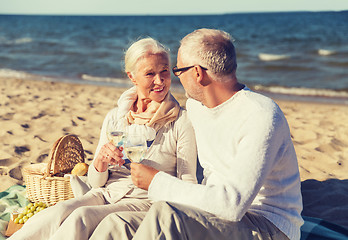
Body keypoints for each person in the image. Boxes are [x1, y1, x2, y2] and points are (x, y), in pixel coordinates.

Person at [93, 28, 304, 240]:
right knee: (117, 223)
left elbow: (232, 205)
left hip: (265, 225)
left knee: (164, 216)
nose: (174, 78)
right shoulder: (197, 108)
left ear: (197, 73)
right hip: (212, 212)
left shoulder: (260, 114)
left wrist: (156, 181)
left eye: (177, 70)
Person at [9, 37, 197, 240]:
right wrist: (100, 163)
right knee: (56, 213)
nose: (160, 81)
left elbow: (188, 182)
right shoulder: (116, 117)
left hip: (145, 200)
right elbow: (96, 183)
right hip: (106, 193)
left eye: (164, 71)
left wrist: (154, 180)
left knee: (82, 216)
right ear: (132, 77)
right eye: (150, 74)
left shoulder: (180, 121)